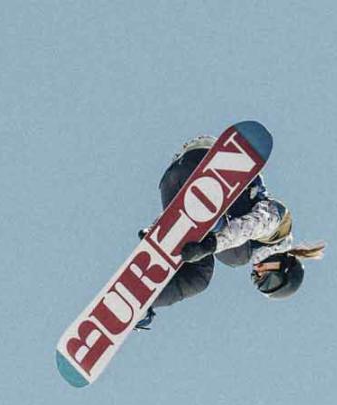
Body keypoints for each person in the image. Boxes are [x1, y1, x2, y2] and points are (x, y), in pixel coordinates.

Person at [136, 135, 325, 328]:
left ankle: (142, 302)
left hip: (175, 180)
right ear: (284, 265)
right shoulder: (280, 229)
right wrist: (211, 244)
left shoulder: (245, 251)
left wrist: (161, 233)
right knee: (236, 257)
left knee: (198, 279)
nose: (257, 277)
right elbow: (253, 224)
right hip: (208, 165)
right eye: (268, 281)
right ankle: (206, 221)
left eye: (259, 285)